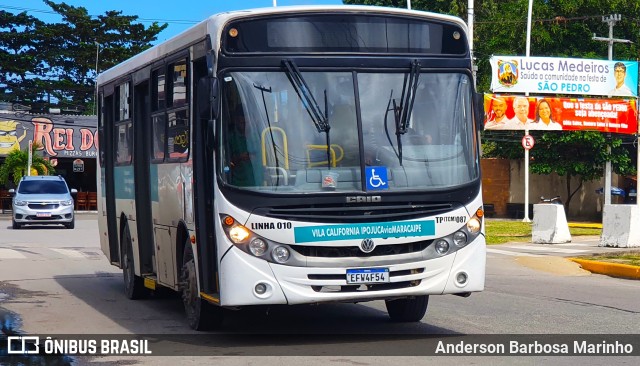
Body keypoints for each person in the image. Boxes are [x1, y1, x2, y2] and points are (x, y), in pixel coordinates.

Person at [227, 106, 263, 186]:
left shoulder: (259, 136)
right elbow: (225, 165)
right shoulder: (230, 138)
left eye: (247, 122)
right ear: (236, 121)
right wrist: (240, 158)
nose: (245, 126)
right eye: (242, 123)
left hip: (259, 184)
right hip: (237, 185)